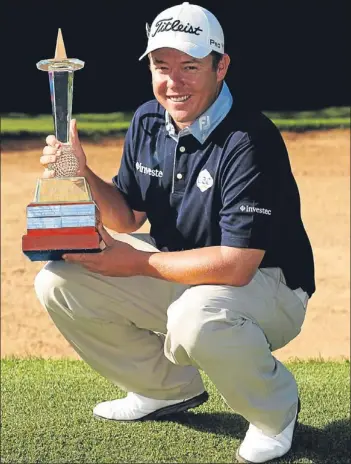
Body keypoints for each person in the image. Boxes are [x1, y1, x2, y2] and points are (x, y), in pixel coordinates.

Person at [35, 2, 315, 462]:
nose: (173, 82)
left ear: (220, 66)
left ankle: (275, 412)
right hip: (182, 273)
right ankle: (164, 389)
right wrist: (81, 172)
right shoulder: (148, 119)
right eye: (161, 67)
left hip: (271, 285)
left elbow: (237, 265)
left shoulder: (250, 139)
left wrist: (137, 263)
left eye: (189, 66)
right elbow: (127, 218)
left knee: (197, 318)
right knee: (59, 281)